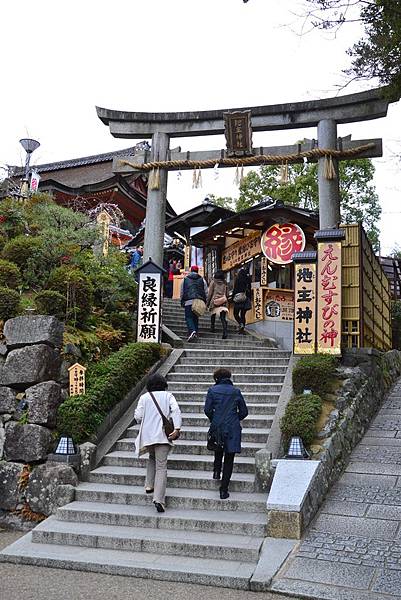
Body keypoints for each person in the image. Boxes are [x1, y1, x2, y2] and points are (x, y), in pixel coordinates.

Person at [134, 374, 182, 513]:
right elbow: (176, 410)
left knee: (152, 457)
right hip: (162, 435)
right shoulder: (168, 396)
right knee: (161, 466)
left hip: (148, 436)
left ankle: (149, 485)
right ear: (163, 384)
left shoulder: (144, 397)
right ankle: (159, 500)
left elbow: (138, 416)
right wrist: (177, 428)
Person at [204, 367, 248, 499]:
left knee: (218, 447)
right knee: (229, 457)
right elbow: (244, 412)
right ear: (229, 378)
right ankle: (224, 490)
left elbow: (207, 410)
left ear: (216, 378)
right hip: (232, 427)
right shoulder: (236, 391)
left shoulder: (212, 390)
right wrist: (235, 419)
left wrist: (215, 419)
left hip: (217, 425)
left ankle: (217, 471)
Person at [180, 265, 208, 342]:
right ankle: (195, 332)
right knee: (195, 317)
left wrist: (182, 300)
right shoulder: (202, 280)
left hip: (188, 301)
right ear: (197, 271)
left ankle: (192, 331)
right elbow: (206, 291)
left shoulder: (185, 279)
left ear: (190, 271)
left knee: (189, 317)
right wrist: (206, 301)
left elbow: (182, 291)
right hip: (199, 300)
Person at [206, 269, 229, 339]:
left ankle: (212, 328)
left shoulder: (213, 282)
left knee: (213, 314)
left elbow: (210, 294)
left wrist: (207, 303)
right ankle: (225, 331)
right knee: (222, 317)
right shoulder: (225, 283)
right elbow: (227, 294)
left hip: (215, 301)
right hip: (223, 301)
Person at [232, 266, 252, 333]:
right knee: (243, 315)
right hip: (245, 299)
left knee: (235, 314)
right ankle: (242, 329)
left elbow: (235, 290)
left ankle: (241, 324)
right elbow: (250, 289)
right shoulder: (248, 279)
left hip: (238, 299)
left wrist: (232, 298)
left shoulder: (238, 280)